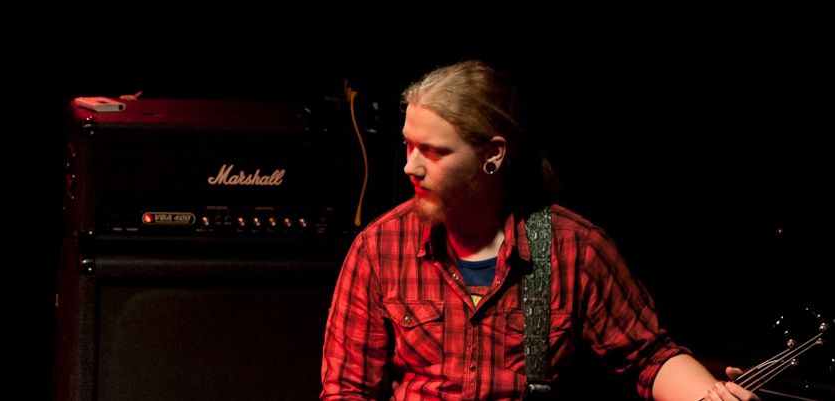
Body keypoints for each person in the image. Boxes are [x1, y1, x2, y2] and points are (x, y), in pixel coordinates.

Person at [320, 60, 756, 400]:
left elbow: (649, 357)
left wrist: (709, 395)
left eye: (433, 151)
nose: (410, 166)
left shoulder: (574, 248)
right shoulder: (379, 248)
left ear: (493, 154)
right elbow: (347, 389)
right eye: (408, 145)